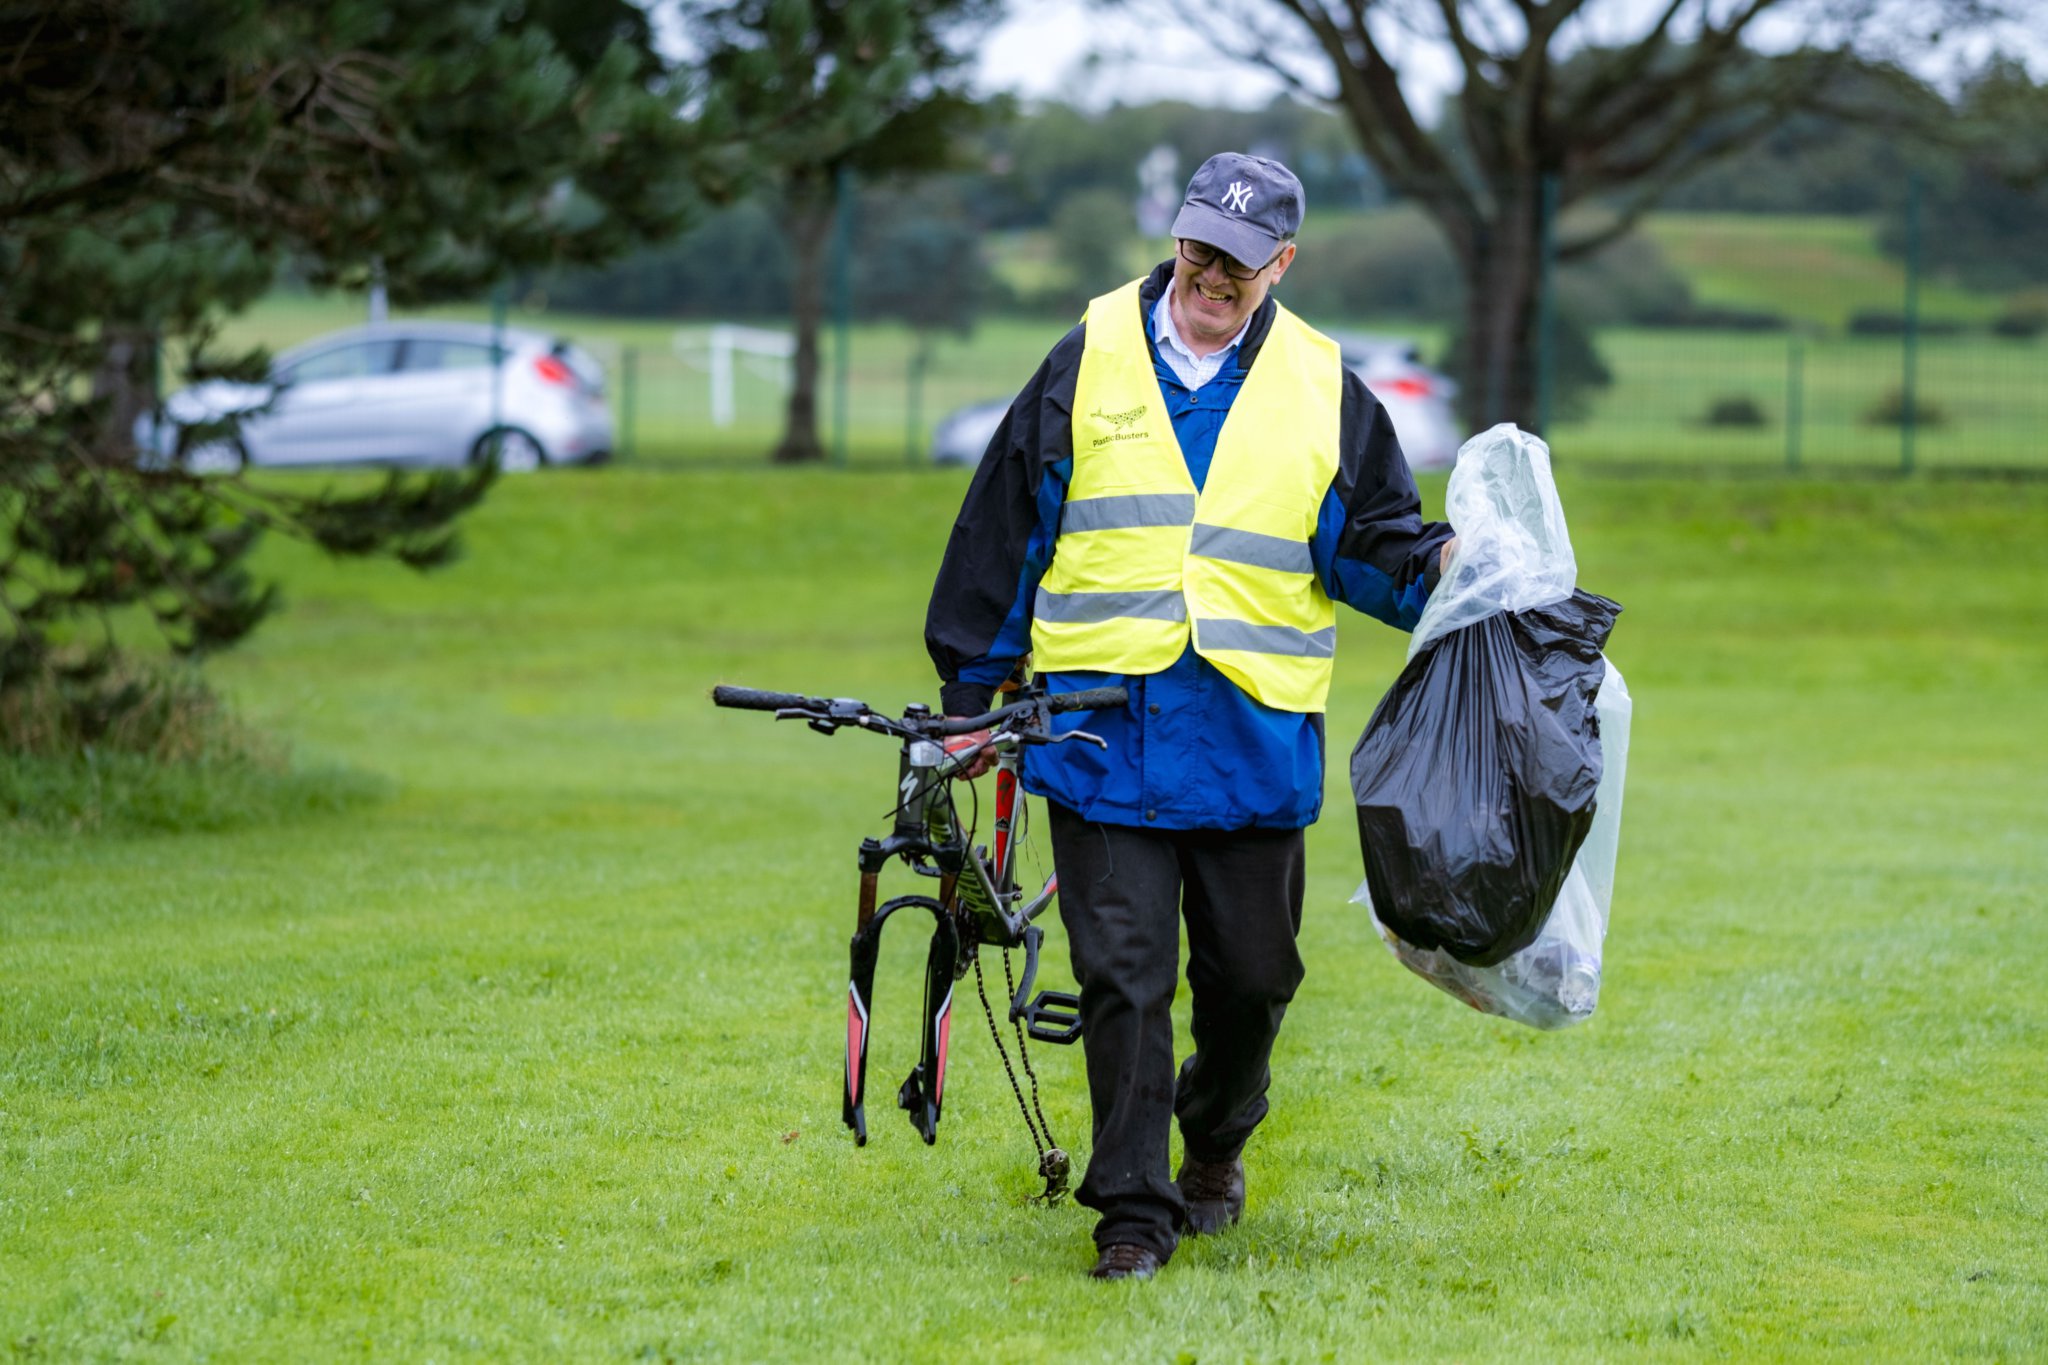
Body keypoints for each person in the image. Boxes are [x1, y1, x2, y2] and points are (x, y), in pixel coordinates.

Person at [924, 152, 1454, 1281]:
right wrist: (969, 694)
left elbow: (1374, 545)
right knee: (1123, 977)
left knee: (1253, 983)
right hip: (1097, 736)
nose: (1213, 275)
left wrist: (1453, 570)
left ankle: (1213, 1140)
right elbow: (1006, 526)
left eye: (1240, 261)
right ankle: (1131, 1214)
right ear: (1175, 237)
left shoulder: (1324, 384)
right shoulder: (1086, 355)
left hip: (1250, 742)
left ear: (1282, 263)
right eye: (1201, 249)